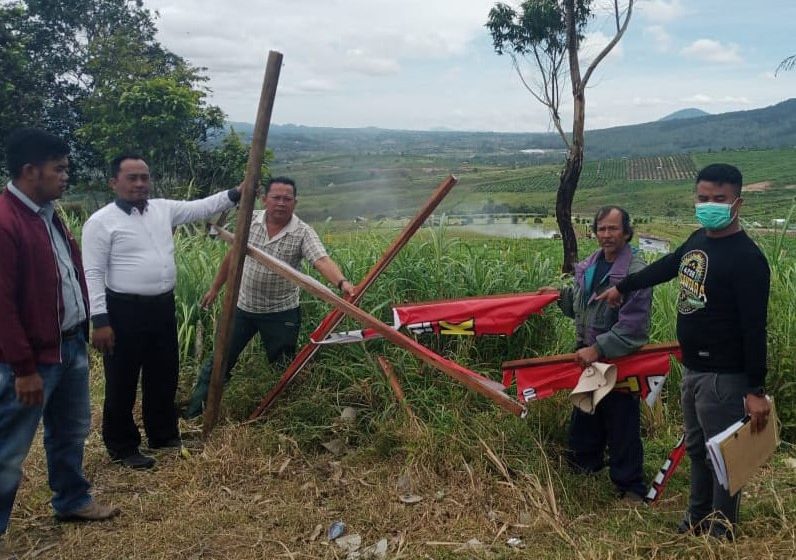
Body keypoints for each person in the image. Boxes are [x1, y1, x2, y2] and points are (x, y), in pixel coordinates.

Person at [597, 163, 771, 538]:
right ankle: (696, 518)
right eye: (703, 198)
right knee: (696, 449)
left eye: (719, 199)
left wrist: (755, 390)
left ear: (737, 203)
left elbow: (755, 329)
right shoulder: (698, 239)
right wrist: (622, 287)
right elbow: (666, 267)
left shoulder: (747, 259)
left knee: (723, 456)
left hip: (725, 376)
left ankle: (721, 530)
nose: (709, 205)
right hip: (693, 369)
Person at [81, 155, 243, 469]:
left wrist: (236, 193)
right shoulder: (101, 222)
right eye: (132, 178)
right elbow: (93, 274)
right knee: (122, 380)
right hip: (123, 310)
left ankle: (163, 434)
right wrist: (99, 320)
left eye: (144, 177)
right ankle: (122, 445)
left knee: (163, 374)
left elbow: (201, 207)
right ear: (114, 182)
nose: (140, 183)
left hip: (161, 307)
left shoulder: (162, 209)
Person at [0, 129, 120, 538]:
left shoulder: (47, 214)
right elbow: (2, 306)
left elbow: (66, 275)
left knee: (70, 430)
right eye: (60, 169)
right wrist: (22, 368)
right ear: (31, 171)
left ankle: (71, 500)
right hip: (31, 360)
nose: (66, 176)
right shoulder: (5, 222)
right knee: (9, 449)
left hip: (69, 345)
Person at [184, 177, 354, 418]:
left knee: (283, 366)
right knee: (219, 362)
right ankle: (195, 414)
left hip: (281, 312)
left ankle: (281, 415)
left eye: (287, 199)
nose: (281, 203)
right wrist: (215, 288)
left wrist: (342, 283)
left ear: (295, 202)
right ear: (265, 199)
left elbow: (321, 260)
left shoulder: (302, 232)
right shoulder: (250, 222)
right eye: (276, 198)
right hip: (243, 308)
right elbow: (232, 257)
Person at [543, 206, 652, 502]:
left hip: (619, 361)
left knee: (622, 422)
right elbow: (582, 307)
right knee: (586, 412)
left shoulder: (635, 274)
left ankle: (631, 486)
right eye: (602, 229)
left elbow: (634, 327)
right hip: (589, 357)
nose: (606, 235)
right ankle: (585, 465)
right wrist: (556, 297)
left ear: (627, 232)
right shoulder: (591, 265)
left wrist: (600, 347)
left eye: (613, 229)